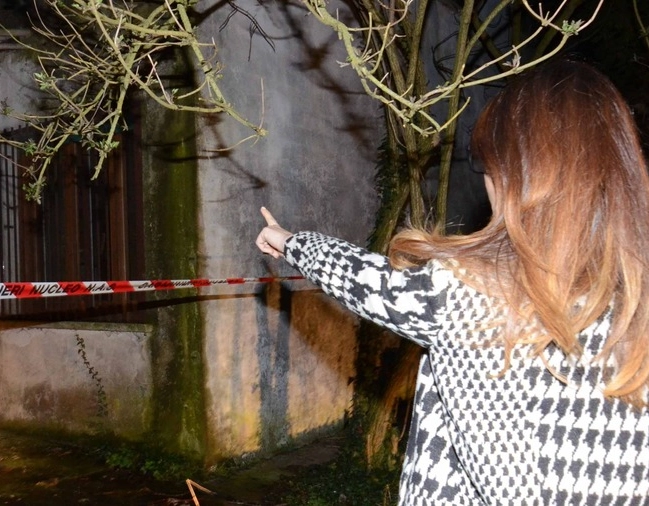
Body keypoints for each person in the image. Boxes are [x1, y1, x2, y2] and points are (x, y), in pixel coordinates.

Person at [255, 60, 649, 505]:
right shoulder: (636, 302)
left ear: (523, 174)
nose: (483, 179)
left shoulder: (472, 295)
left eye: (486, 160)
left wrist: (291, 243)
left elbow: (367, 282)